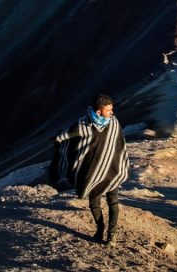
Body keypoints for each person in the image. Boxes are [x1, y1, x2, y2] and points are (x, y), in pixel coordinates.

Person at [50, 94, 129, 245]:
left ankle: (112, 234)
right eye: (108, 110)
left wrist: (120, 164)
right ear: (99, 111)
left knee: (113, 202)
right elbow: (68, 137)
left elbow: (120, 144)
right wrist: (58, 141)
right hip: (93, 172)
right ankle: (100, 228)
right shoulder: (83, 124)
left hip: (112, 170)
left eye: (112, 109)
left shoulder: (114, 123)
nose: (112, 113)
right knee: (94, 203)